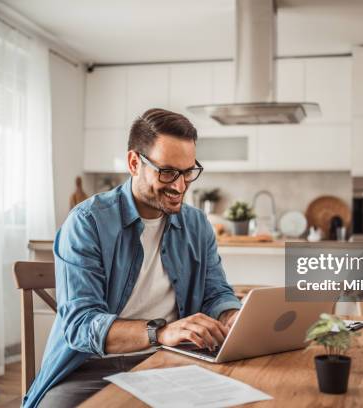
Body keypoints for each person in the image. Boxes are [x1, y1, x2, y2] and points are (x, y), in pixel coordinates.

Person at [24, 108, 242, 407]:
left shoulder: (197, 224)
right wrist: (161, 333)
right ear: (134, 162)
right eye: (167, 172)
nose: (179, 186)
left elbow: (215, 292)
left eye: (188, 172)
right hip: (89, 368)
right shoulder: (87, 223)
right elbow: (81, 325)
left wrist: (232, 316)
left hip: (172, 362)